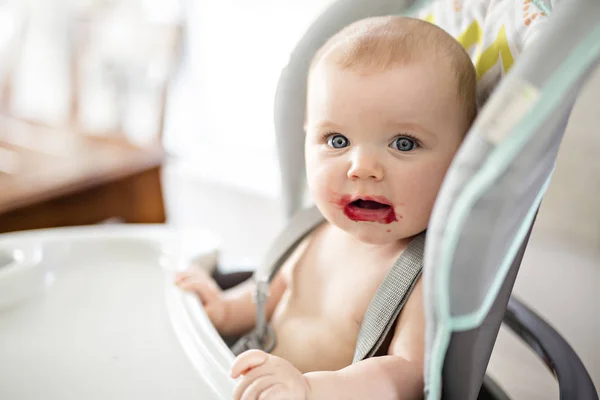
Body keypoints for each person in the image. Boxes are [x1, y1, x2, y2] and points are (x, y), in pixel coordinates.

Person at [176, 15, 477, 400]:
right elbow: (269, 296)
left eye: (403, 143)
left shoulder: (422, 273)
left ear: (461, 158)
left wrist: (310, 388)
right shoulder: (315, 231)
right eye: (337, 140)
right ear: (307, 136)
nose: (362, 168)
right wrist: (222, 310)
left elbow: (408, 375)